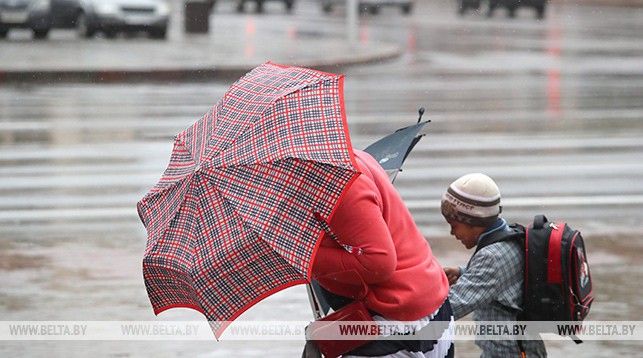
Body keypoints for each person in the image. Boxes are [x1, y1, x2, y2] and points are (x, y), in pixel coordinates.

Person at [311, 149, 454, 358]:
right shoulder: (354, 159)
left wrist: (306, 256)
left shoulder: (339, 183)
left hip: (398, 322)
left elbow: (378, 263)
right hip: (425, 298)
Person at [440, 173, 547, 357]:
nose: (452, 232)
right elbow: (504, 280)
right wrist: (463, 273)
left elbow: (450, 308)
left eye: (454, 224)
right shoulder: (511, 237)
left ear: (472, 222)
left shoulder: (491, 257)